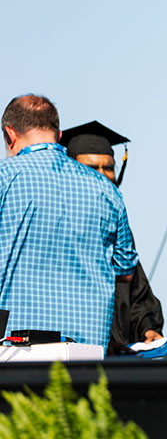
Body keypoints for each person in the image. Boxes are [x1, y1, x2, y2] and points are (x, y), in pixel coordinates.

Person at [0, 95, 138, 350]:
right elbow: (126, 270)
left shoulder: (4, 178)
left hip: (13, 353)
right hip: (87, 353)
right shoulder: (107, 190)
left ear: (10, 135)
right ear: (58, 133)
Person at [60, 121, 164, 353]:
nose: (102, 176)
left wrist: (148, 329)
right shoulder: (55, 225)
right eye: (91, 168)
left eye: (108, 168)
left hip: (117, 361)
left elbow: (136, 296)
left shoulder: (117, 229)